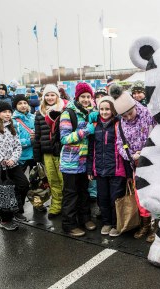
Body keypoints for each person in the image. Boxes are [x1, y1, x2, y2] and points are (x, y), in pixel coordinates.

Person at [114, 91, 158, 242]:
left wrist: (146, 152)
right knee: (141, 196)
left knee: (156, 195)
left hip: (155, 163)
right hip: (136, 165)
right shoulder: (121, 123)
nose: (128, 117)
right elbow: (119, 145)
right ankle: (145, 224)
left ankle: (156, 227)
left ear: (134, 106)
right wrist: (131, 156)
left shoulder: (149, 115)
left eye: (129, 113)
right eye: (123, 116)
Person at [0, 101, 30, 230]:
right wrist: (1, 159)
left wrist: (13, 159)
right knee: (4, 192)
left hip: (12, 165)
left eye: (9, 112)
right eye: (4, 112)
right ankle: (5, 220)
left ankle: (16, 210)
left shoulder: (10, 126)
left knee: (23, 185)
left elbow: (17, 146)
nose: (8, 114)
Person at [87, 96, 127, 237]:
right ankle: (107, 222)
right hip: (100, 169)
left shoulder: (119, 124)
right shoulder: (94, 125)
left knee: (115, 199)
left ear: (113, 109)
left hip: (116, 169)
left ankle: (117, 224)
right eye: (101, 109)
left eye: (107, 109)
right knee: (102, 198)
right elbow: (91, 149)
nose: (104, 112)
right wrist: (90, 168)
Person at [60, 82, 96, 237]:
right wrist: (85, 131)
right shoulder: (69, 113)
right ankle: (69, 224)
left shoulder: (91, 113)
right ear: (77, 97)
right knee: (71, 194)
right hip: (70, 162)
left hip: (84, 162)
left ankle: (85, 218)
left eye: (88, 96)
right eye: (83, 96)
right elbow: (64, 138)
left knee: (84, 192)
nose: (86, 99)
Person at [34, 84, 67, 219]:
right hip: (46, 152)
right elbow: (37, 135)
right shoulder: (39, 113)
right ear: (43, 97)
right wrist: (37, 155)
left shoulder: (64, 110)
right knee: (53, 180)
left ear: (57, 96)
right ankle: (56, 205)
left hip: (61, 152)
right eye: (47, 95)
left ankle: (67, 205)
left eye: (52, 94)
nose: (50, 97)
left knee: (63, 180)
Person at [12, 94, 36, 172]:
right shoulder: (12, 121)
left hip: (35, 156)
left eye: (25, 103)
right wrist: (30, 141)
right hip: (21, 157)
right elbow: (13, 142)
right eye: (20, 103)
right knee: (20, 182)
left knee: (36, 182)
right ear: (15, 106)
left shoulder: (34, 117)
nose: (23, 105)